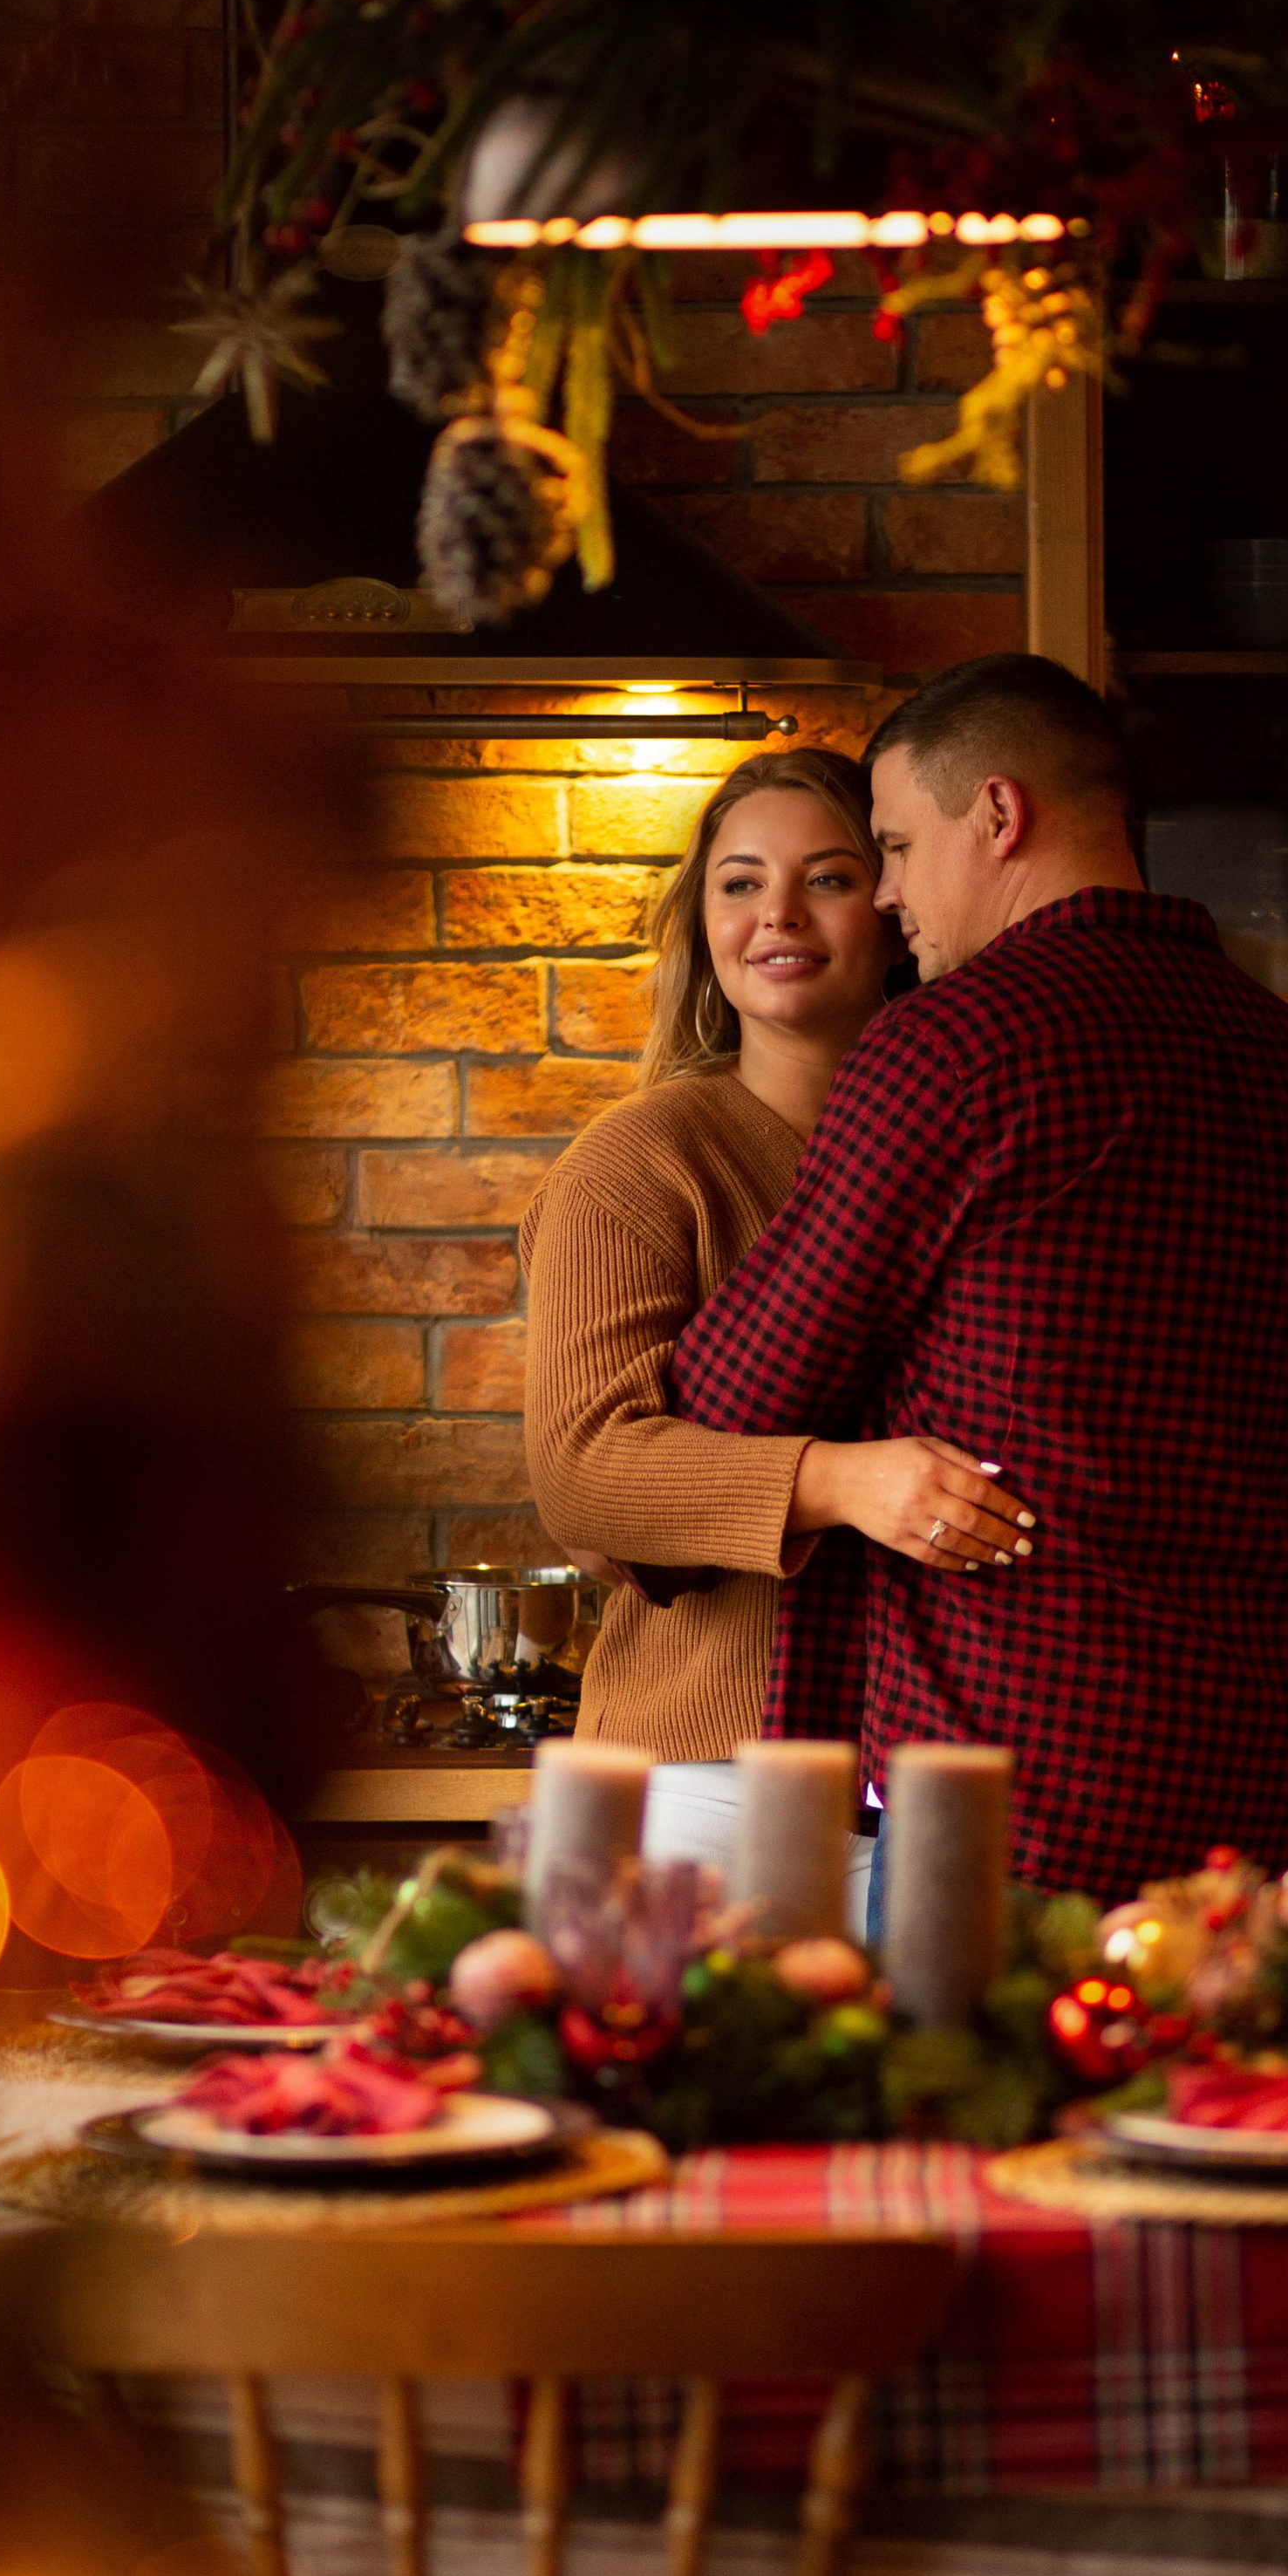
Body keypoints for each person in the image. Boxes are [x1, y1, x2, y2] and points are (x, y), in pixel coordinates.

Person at [670, 655, 1288, 1916]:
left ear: (999, 816)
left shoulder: (951, 1045)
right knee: (1196, 2110)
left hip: (1026, 1781)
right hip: (1266, 1769)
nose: (892, 892)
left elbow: (735, 1391)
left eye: (894, 845)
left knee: (979, 2114)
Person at [520, 746, 1028, 1914]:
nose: (778, 917)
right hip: (710, 1782)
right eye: (740, 884)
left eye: (831, 878)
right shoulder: (640, 1164)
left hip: (956, 1770)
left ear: (895, 906)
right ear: (701, 926)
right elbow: (586, 1476)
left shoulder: (979, 1139)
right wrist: (849, 1485)